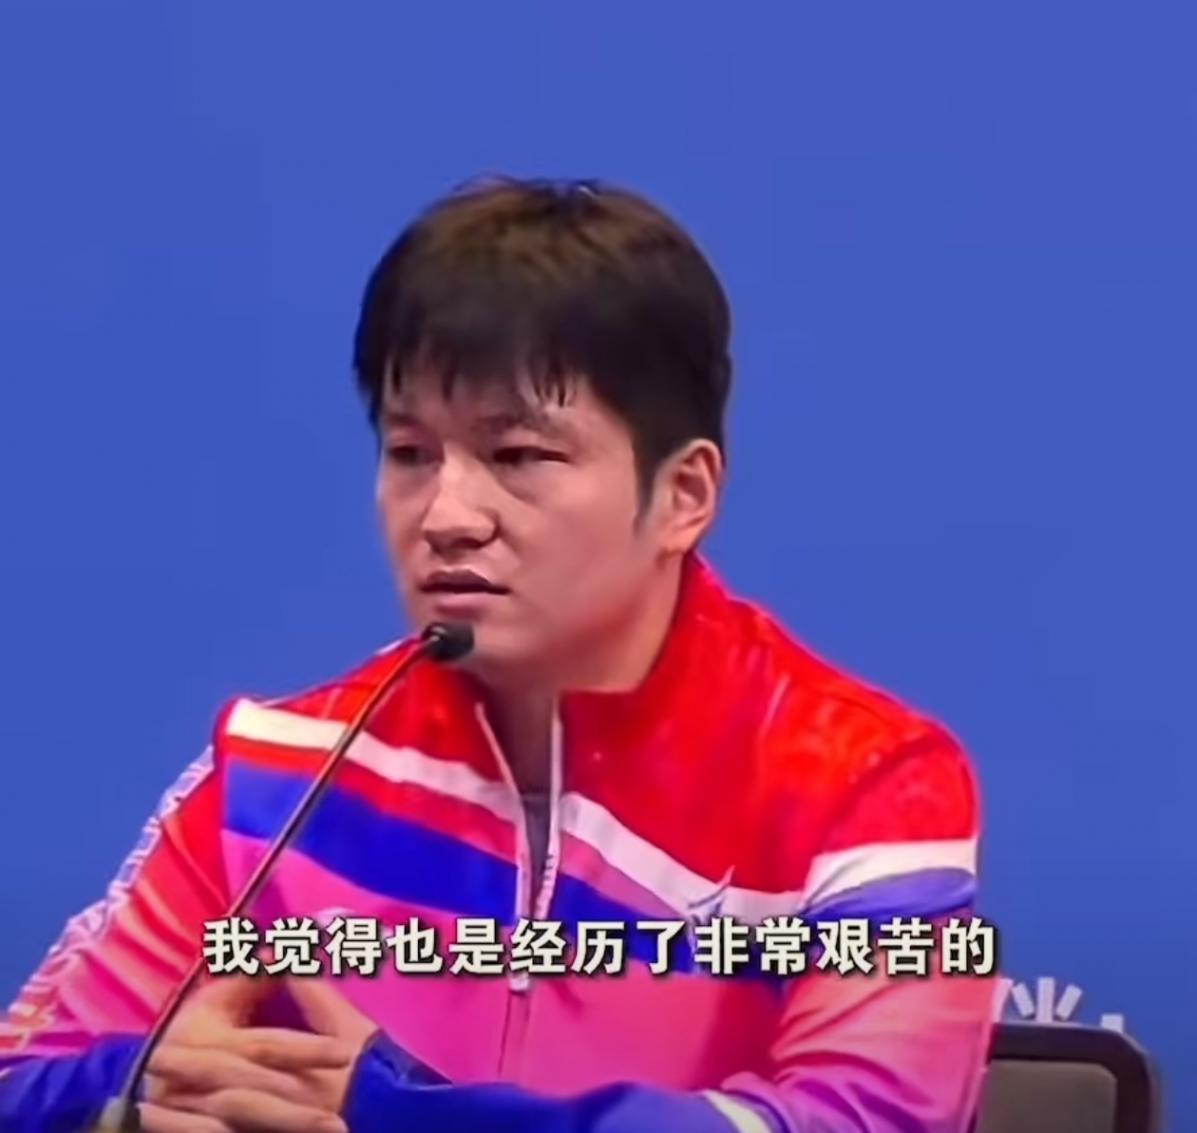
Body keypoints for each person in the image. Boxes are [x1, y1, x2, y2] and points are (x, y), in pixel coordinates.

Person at [0, 177, 996, 1133]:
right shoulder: (286, 775)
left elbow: (868, 1118)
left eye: (517, 456)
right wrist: (137, 1081)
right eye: (410, 453)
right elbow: (21, 1081)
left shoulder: (861, 782)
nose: (447, 515)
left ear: (683, 496)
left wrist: (403, 1112)